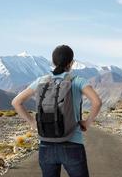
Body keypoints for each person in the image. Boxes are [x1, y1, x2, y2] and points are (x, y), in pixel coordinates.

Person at [11, 45, 102, 177]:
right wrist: (87, 123)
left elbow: (16, 102)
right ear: (72, 63)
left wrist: (32, 122)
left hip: (46, 144)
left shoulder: (41, 81)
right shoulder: (78, 81)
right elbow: (97, 102)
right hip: (73, 143)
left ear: (53, 62)